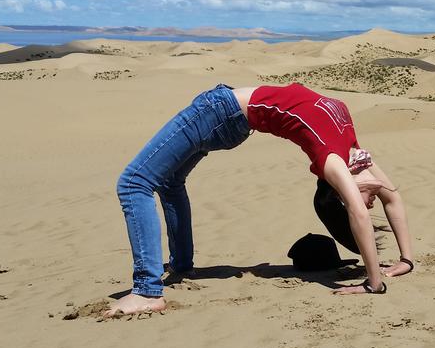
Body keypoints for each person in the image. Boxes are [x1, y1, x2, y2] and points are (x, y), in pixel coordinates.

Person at [105, 82, 416, 317]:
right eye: (366, 199)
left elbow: (360, 213)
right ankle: (182, 265)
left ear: (339, 190)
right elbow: (394, 198)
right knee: (171, 181)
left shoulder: (332, 160)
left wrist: (374, 282)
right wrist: (406, 260)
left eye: (355, 201)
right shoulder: (354, 152)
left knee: (133, 183)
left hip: (220, 110)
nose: (369, 203)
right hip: (232, 120)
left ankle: (147, 291)